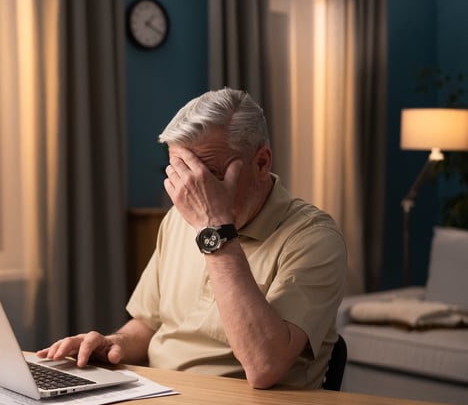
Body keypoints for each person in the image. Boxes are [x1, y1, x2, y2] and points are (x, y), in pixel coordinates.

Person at [38, 87, 347, 389]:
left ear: (261, 163)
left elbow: (264, 365)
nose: (190, 192)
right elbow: (148, 325)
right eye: (181, 172)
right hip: (161, 398)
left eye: (206, 174)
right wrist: (112, 344)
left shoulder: (314, 238)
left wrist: (214, 230)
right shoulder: (178, 218)